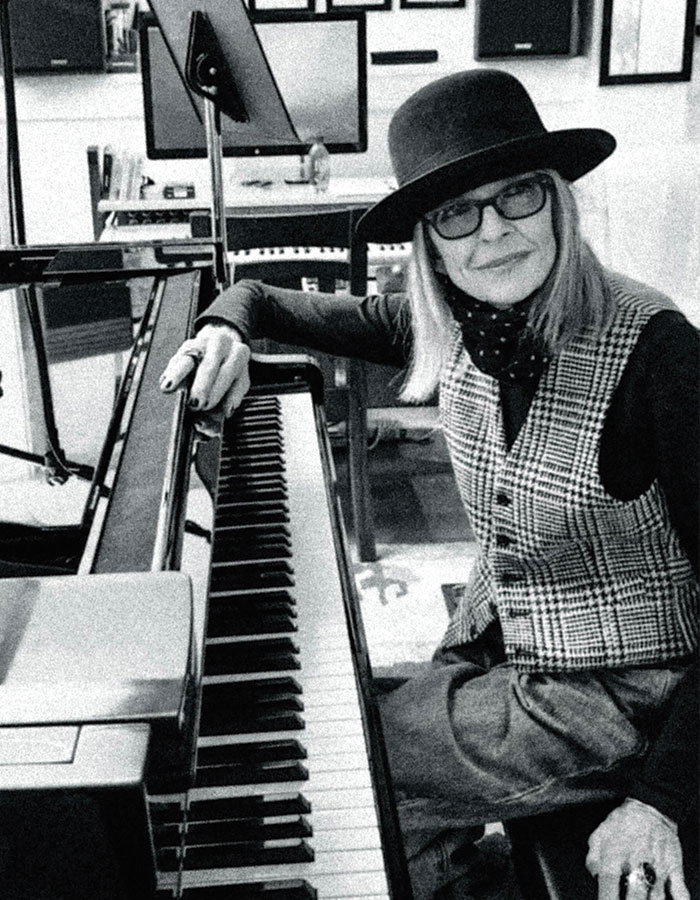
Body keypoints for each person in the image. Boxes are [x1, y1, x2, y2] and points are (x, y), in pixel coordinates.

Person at [161, 69, 699, 899]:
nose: (491, 235)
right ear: (431, 245)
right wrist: (224, 327)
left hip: (626, 693)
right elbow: (264, 298)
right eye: (456, 212)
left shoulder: (660, 352)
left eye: (515, 196)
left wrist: (659, 803)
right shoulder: (453, 320)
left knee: (355, 758)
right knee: (353, 713)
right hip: (506, 640)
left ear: (556, 199)